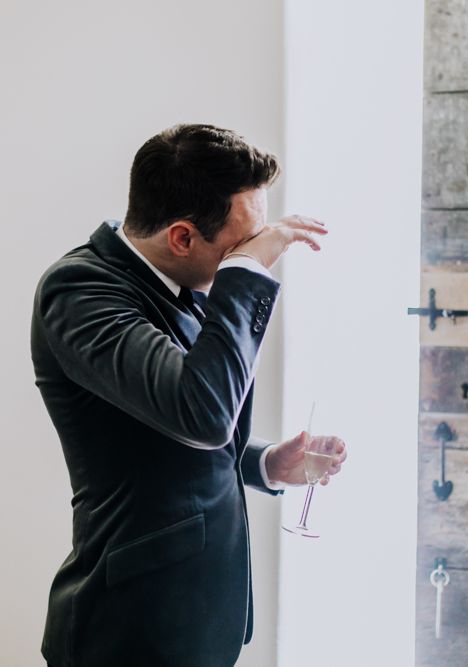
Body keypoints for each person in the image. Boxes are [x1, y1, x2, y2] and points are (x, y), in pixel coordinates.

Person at [31, 123, 347, 667]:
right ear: (182, 237)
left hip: (197, 619)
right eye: (244, 240)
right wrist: (245, 272)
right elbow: (200, 412)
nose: (256, 248)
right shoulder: (80, 292)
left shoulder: (183, 280)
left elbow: (162, 432)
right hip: (130, 629)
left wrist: (266, 463)